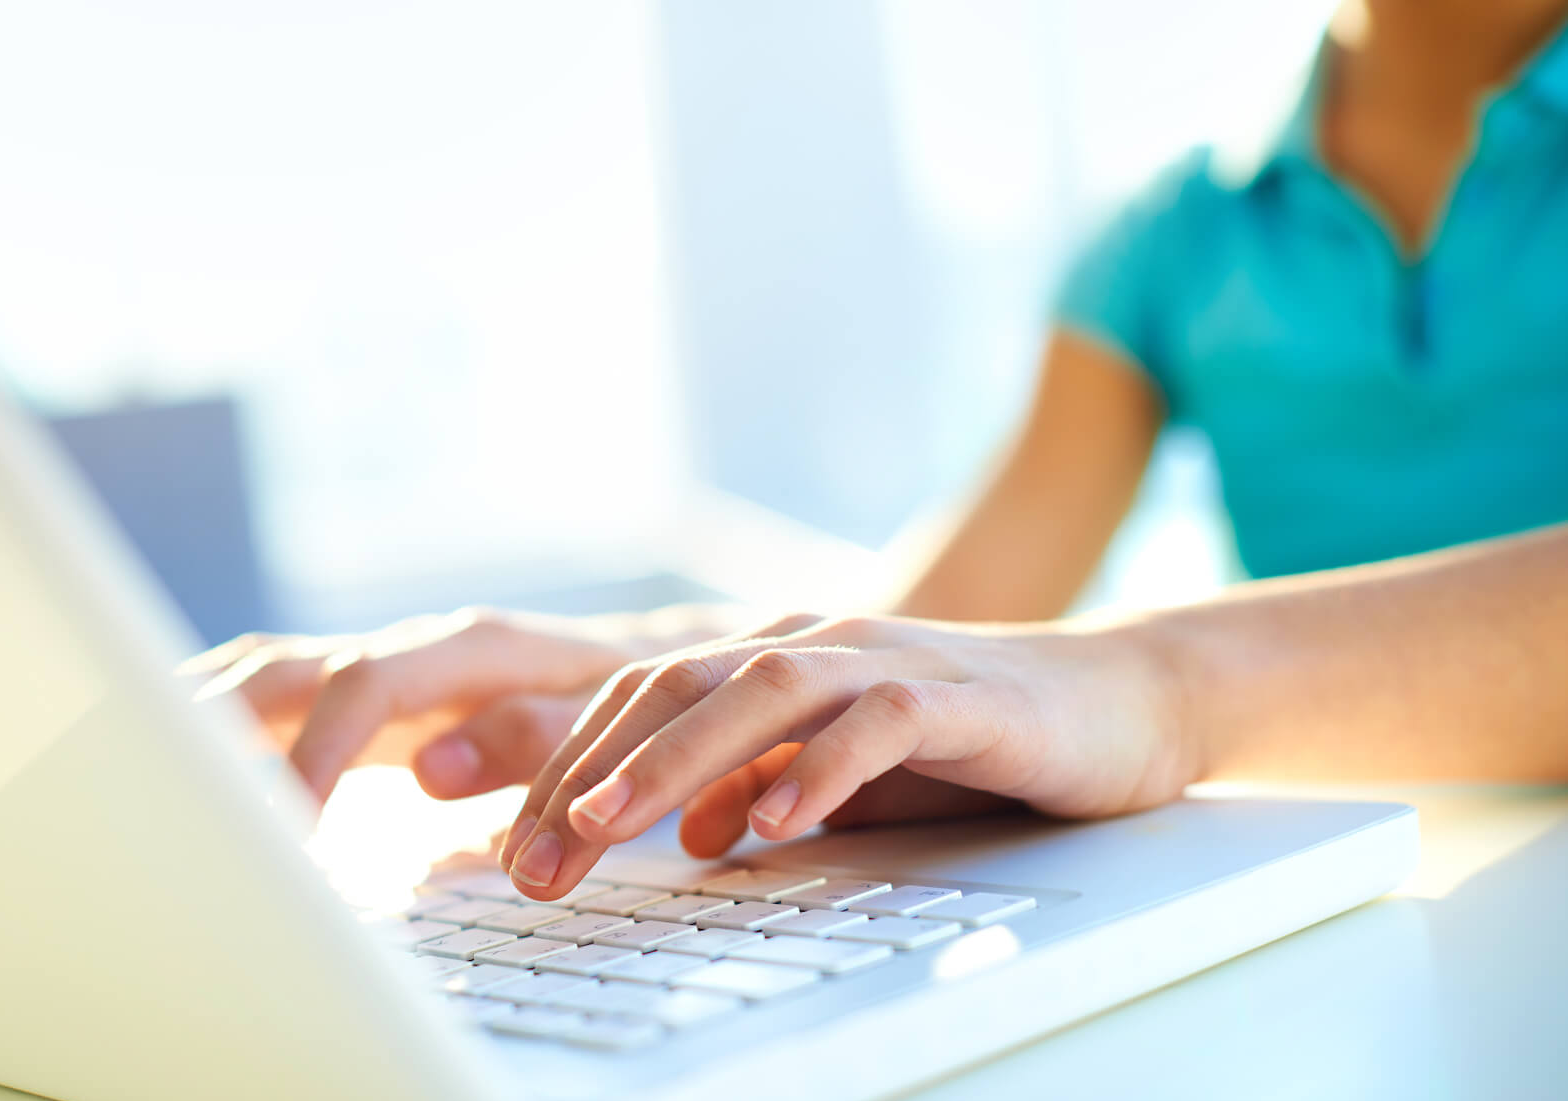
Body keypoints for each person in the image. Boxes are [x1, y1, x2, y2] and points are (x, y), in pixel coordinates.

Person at [186, 0, 1568, 895]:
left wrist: (1161, 687)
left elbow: (1100, 682)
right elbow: (954, 627)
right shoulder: (1177, 238)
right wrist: (672, 672)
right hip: (1383, 912)